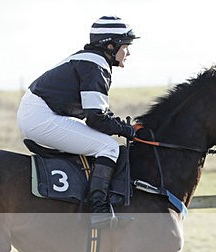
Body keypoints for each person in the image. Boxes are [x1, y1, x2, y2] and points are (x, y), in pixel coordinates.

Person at [17, 15, 138, 228]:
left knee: (101, 142)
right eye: (126, 46)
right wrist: (127, 131)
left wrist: (123, 126)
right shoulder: (96, 65)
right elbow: (96, 119)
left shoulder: (91, 60)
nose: (128, 52)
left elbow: (98, 113)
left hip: (39, 113)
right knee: (109, 147)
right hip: (41, 117)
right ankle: (98, 208)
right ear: (111, 45)